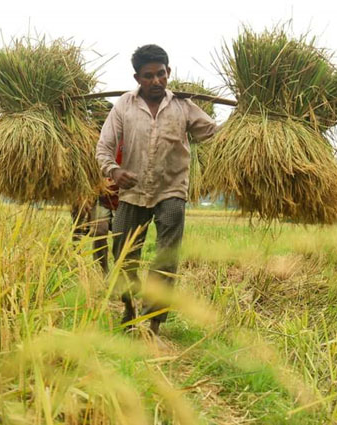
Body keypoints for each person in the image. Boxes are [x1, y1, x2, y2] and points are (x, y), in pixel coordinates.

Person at [95, 44, 217, 334]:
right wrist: (114, 170)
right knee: (123, 255)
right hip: (132, 193)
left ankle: (153, 326)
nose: (156, 81)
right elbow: (104, 148)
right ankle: (128, 306)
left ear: (168, 72)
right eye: (148, 76)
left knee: (166, 257)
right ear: (137, 78)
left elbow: (214, 134)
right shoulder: (124, 105)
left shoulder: (183, 106)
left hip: (171, 190)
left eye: (161, 74)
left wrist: (248, 120)